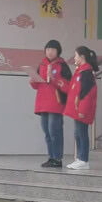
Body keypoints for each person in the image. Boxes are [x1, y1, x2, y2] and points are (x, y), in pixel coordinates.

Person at [30, 40, 72, 168]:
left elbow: (68, 86)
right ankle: (51, 157)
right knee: (47, 132)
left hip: (56, 103)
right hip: (43, 103)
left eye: (53, 49)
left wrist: (54, 79)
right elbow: (37, 86)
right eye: (48, 49)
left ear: (58, 51)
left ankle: (57, 159)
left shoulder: (62, 65)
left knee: (55, 131)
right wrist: (33, 80)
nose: (50, 52)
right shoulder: (42, 64)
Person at [64, 46, 99, 170]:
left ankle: (84, 160)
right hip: (77, 109)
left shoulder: (86, 73)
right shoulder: (81, 71)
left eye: (76, 55)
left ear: (82, 57)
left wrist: (82, 110)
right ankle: (79, 158)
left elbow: (87, 94)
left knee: (82, 134)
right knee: (78, 134)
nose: (74, 58)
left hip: (81, 110)